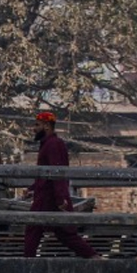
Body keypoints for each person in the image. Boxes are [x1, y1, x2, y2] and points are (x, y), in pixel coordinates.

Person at [24, 111, 98, 260]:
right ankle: (94, 257)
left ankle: (26, 264)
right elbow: (45, 173)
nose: (34, 128)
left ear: (47, 126)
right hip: (46, 195)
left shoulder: (53, 144)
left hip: (48, 198)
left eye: (37, 125)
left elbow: (57, 173)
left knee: (34, 229)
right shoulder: (48, 144)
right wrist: (32, 189)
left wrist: (60, 199)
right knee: (64, 233)